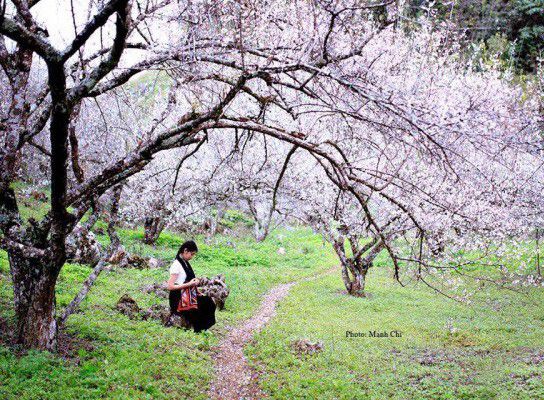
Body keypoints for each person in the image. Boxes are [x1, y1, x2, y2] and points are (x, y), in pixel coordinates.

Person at [167, 240, 216, 332]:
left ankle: (203, 328)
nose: (192, 257)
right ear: (185, 251)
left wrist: (196, 290)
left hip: (187, 294)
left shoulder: (185, 262)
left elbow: (188, 279)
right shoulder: (176, 265)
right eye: (192, 254)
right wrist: (189, 284)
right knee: (198, 306)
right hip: (178, 298)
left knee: (209, 302)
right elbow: (170, 286)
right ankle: (198, 329)